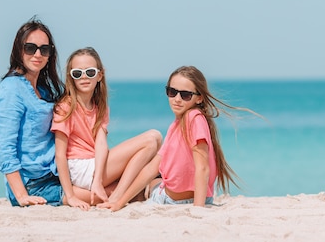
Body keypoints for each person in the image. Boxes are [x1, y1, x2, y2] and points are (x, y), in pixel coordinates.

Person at [99, 65, 259, 211]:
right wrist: (119, 204)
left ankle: (118, 192)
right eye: (172, 92)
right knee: (153, 176)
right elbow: (152, 168)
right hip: (190, 196)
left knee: (149, 183)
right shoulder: (179, 125)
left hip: (171, 200)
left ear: (199, 98)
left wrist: (198, 209)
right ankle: (120, 194)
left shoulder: (193, 118)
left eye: (185, 95)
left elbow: (202, 168)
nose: (177, 99)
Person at [51, 47, 162, 211]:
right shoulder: (65, 107)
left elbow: (101, 145)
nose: (83, 77)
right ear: (70, 77)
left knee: (142, 180)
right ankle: (117, 196)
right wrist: (71, 196)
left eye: (90, 72)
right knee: (153, 138)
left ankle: (122, 194)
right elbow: (60, 154)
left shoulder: (99, 107)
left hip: (95, 166)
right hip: (81, 168)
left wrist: (97, 182)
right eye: (77, 73)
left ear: (100, 75)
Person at [0, 18, 65, 206]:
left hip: (57, 174)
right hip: (33, 185)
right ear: (19, 49)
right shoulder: (11, 88)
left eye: (44, 49)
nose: (38, 54)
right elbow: (5, 148)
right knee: (100, 194)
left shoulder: (44, 90)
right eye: (30, 48)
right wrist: (22, 196)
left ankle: (152, 187)